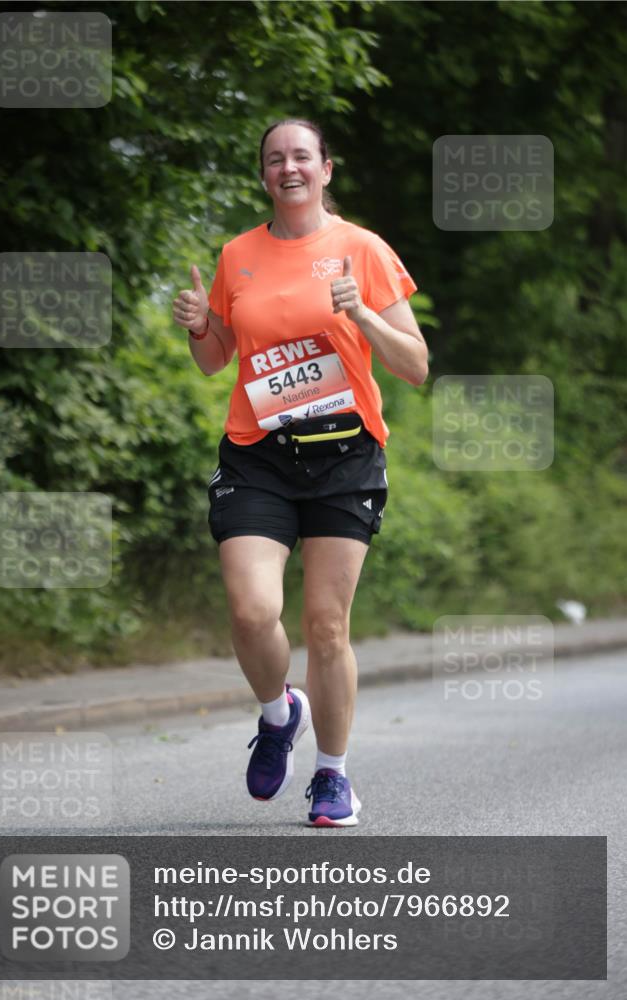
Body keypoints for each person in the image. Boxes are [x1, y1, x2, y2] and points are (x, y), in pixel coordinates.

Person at [172, 118, 428, 827]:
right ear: (264, 175)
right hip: (258, 456)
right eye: (275, 159)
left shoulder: (362, 250)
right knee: (253, 612)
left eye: (301, 157)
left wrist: (362, 318)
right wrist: (200, 324)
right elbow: (215, 358)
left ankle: (332, 777)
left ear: (326, 169)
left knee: (325, 627)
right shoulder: (238, 254)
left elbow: (414, 365)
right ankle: (278, 713)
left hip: (345, 455)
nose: (289, 168)